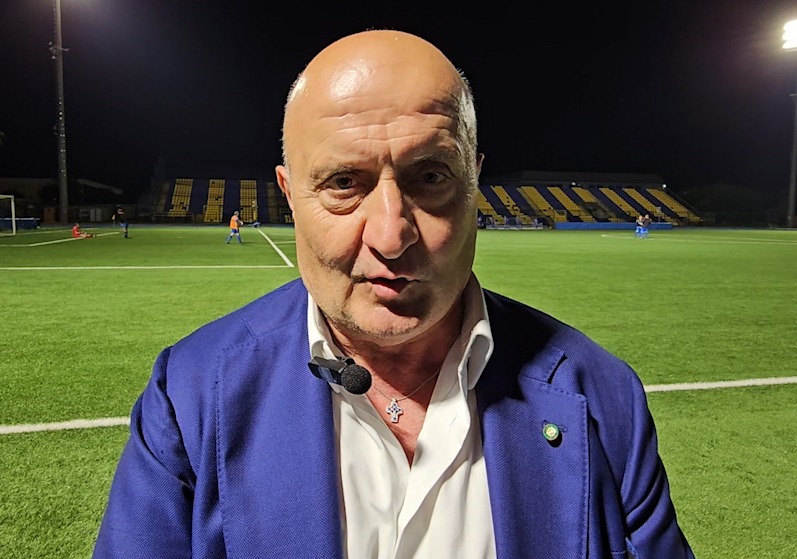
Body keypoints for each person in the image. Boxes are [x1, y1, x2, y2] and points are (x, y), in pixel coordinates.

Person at [93, 30, 694, 558]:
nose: (390, 234)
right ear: (290, 195)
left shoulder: (603, 398)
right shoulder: (190, 394)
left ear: (474, 183)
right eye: (343, 182)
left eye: (430, 177)